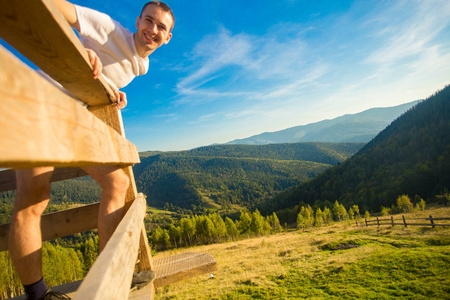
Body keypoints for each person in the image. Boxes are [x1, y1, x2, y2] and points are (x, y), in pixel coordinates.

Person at [8, 1, 174, 299]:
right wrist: (73, 52)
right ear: (137, 22)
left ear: (168, 37)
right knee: (32, 201)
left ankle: (105, 282)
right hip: (37, 107)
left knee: (118, 181)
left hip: (70, 121)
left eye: (161, 27)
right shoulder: (109, 28)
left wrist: (111, 90)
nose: (153, 30)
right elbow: (55, 7)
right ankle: (37, 293)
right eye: (148, 21)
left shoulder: (143, 65)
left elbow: (108, 70)